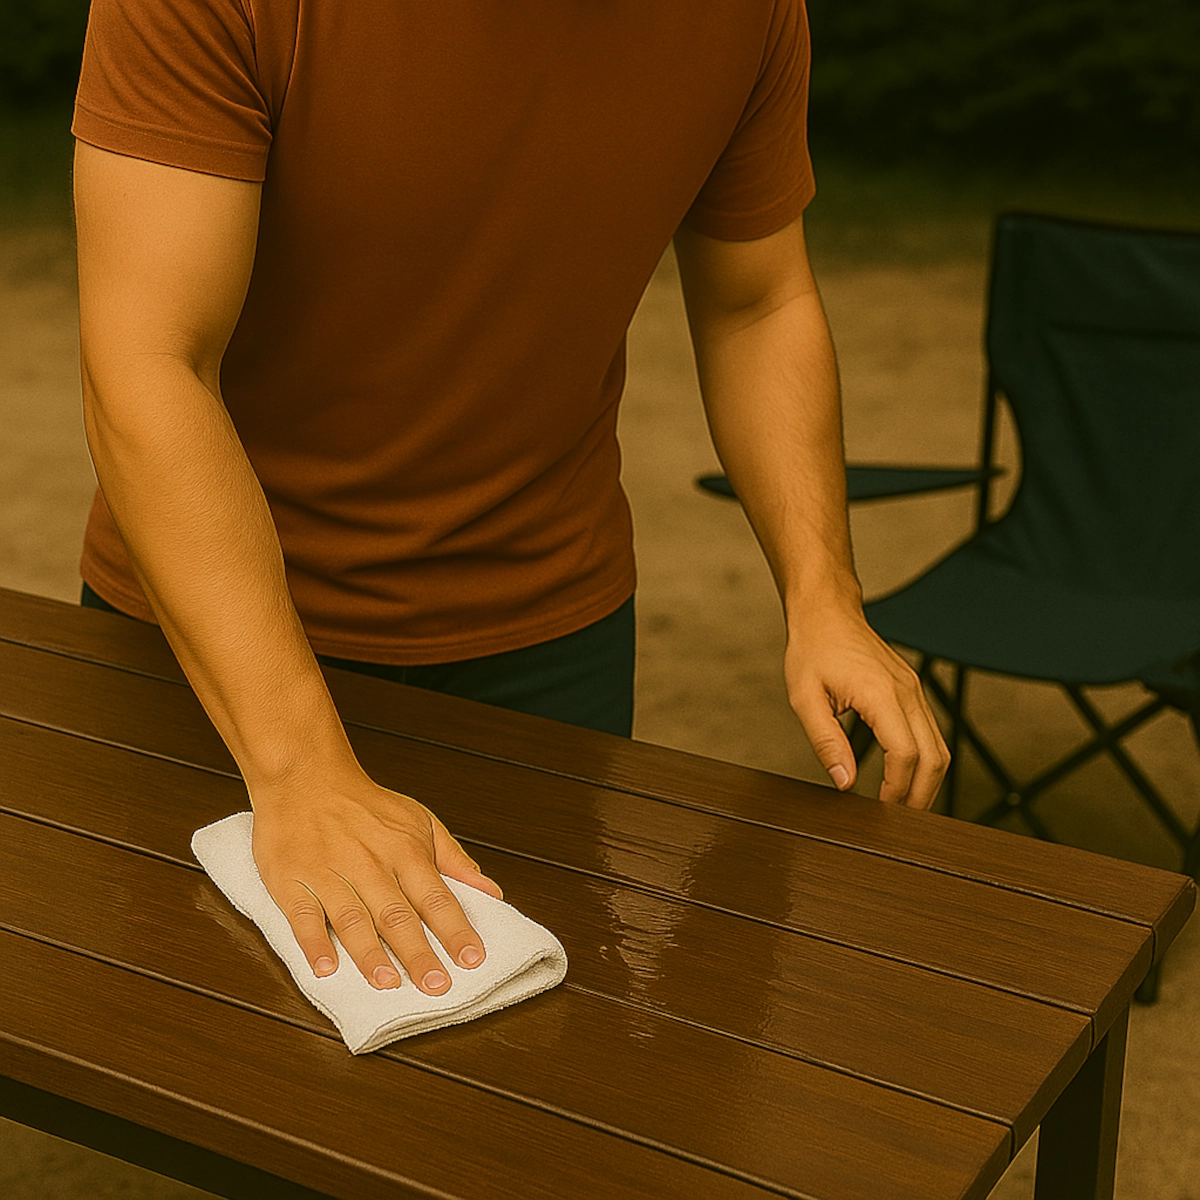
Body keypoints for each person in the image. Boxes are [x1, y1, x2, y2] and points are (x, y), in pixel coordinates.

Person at [71, 0, 949, 1001]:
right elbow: (147, 363)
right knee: (199, 1045)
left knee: (541, 1066)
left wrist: (823, 594)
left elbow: (759, 300)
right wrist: (302, 767)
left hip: (545, 638)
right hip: (211, 635)